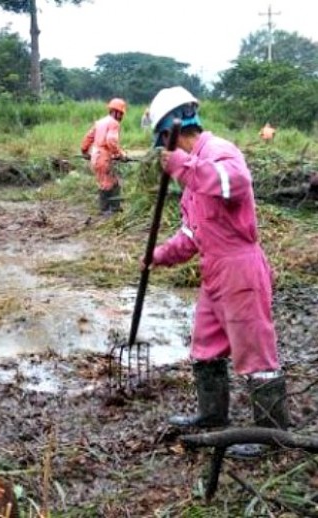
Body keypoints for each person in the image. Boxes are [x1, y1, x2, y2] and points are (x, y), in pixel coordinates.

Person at [146, 86, 288, 457]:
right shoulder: (190, 177)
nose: (166, 151)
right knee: (206, 345)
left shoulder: (218, 152)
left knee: (255, 351)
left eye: (163, 141)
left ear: (170, 132)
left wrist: (183, 166)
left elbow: (234, 183)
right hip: (214, 270)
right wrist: (159, 255)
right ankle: (212, 415)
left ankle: (271, 437)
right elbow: (192, 233)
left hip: (240, 267)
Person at [80, 98, 128, 215]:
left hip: (96, 157)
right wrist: (120, 154)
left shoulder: (100, 122)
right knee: (107, 184)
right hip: (104, 158)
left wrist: (85, 152)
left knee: (114, 182)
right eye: (121, 114)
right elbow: (111, 141)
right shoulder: (114, 123)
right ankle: (105, 210)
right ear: (117, 112)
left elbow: (88, 138)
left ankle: (115, 208)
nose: (121, 117)